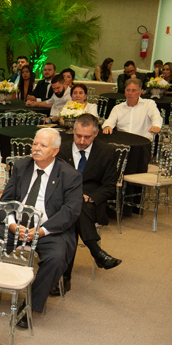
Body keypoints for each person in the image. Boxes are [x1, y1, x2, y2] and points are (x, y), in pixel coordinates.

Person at [0, 128, 82, 325]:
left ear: (55, 151)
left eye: (43, 145)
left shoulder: (70, 175)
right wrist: (12, 224)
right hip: (17, 226)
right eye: (35, 144)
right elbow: (6, 201)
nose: (36, 148)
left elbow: (70, 211)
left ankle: (30, 305)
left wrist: (41, 231)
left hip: (48, 229)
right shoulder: (21, 166)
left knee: (56, 258)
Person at [56, 113, 122, 294]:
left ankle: (64, 277)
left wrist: (90, 197)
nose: (82, 141)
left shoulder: (107, 152)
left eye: (87, 137)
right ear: (73, 131)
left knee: (75, 212)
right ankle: (96, 251)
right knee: (74, 208)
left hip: (91, 204)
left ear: (96, 134)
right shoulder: (61, 149)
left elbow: (109, 186)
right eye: (78, 136)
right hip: (62, 200)